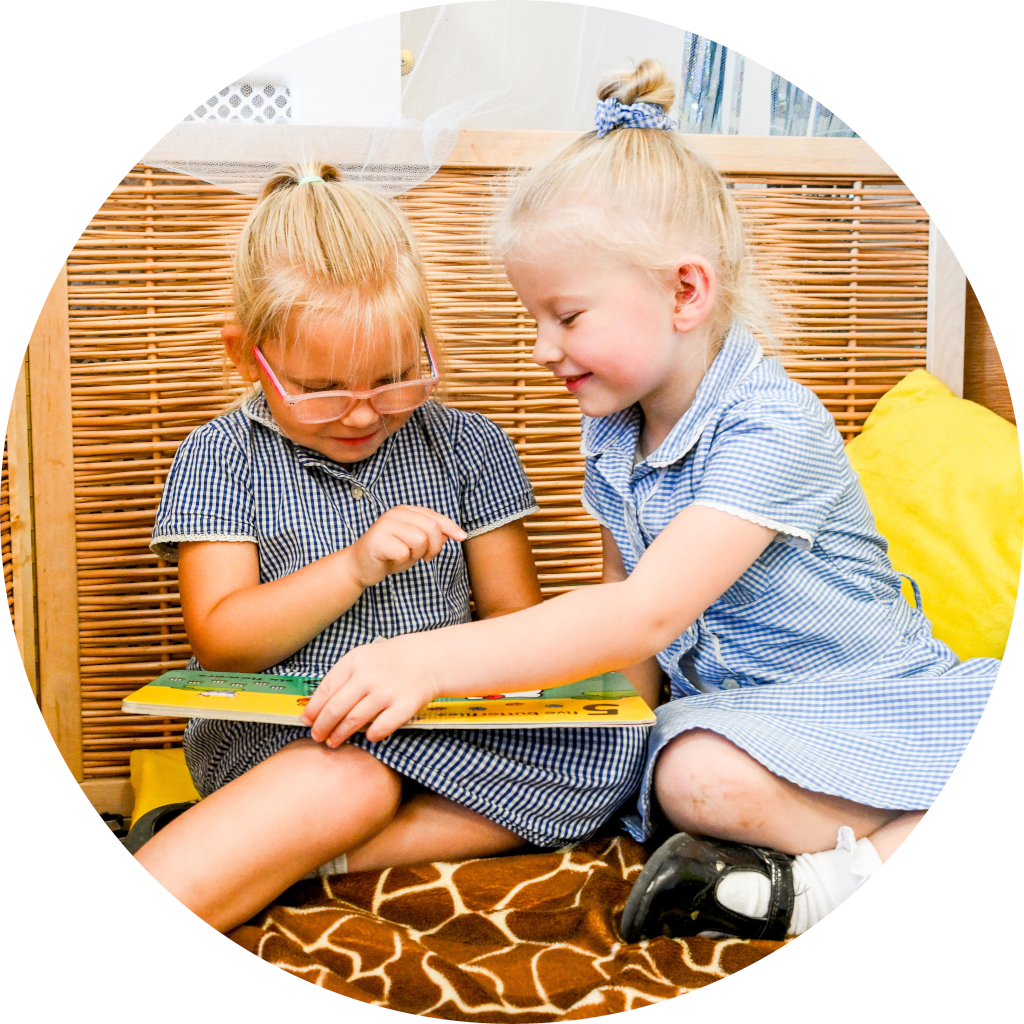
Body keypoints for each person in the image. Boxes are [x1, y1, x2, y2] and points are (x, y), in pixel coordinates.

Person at [300, 62, 999, 941]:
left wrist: (427, 660)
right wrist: (577, 741)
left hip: (866, 701)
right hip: (742, 720)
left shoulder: (770, 425)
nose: (544, 347)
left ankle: (827, 886)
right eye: (534, 318)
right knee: (668, 768)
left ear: (684, 293)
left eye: (567, 317)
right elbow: (626, 641)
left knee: (695, 778)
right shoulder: (614, 431)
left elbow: (645, 612)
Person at [134, 163, 649, 933]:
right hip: (294, 740)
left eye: (396, 378)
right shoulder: (220, 456)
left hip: (447, 726)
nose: (361, 414)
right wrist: (354, 567)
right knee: (355, 783)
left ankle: (302, 858)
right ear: (246, 356)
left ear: (426, 343)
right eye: (322, 389)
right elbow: (222, 640)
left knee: (614, 755)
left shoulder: (469, 447)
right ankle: (243, 850)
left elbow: (514, 617)